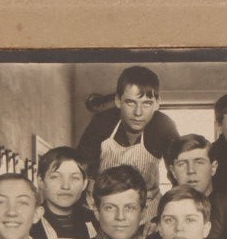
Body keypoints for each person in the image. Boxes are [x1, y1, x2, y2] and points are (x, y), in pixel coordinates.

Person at [76, 65, 178, 218]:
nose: (138, 113)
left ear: (157, 103)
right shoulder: (102, 123)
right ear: (118, 100)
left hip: (148, 209)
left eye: (146, 103)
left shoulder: (163, 126)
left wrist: (166, 214)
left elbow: (178, 172)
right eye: (131, 102)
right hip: (105, 208)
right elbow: (80, 167)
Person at [30, 145, 97, 239]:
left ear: (84, 184)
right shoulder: (29, 224)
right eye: (55, 177)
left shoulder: (96, 222)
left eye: (74, 178)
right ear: (41, 181)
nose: (65, 186)